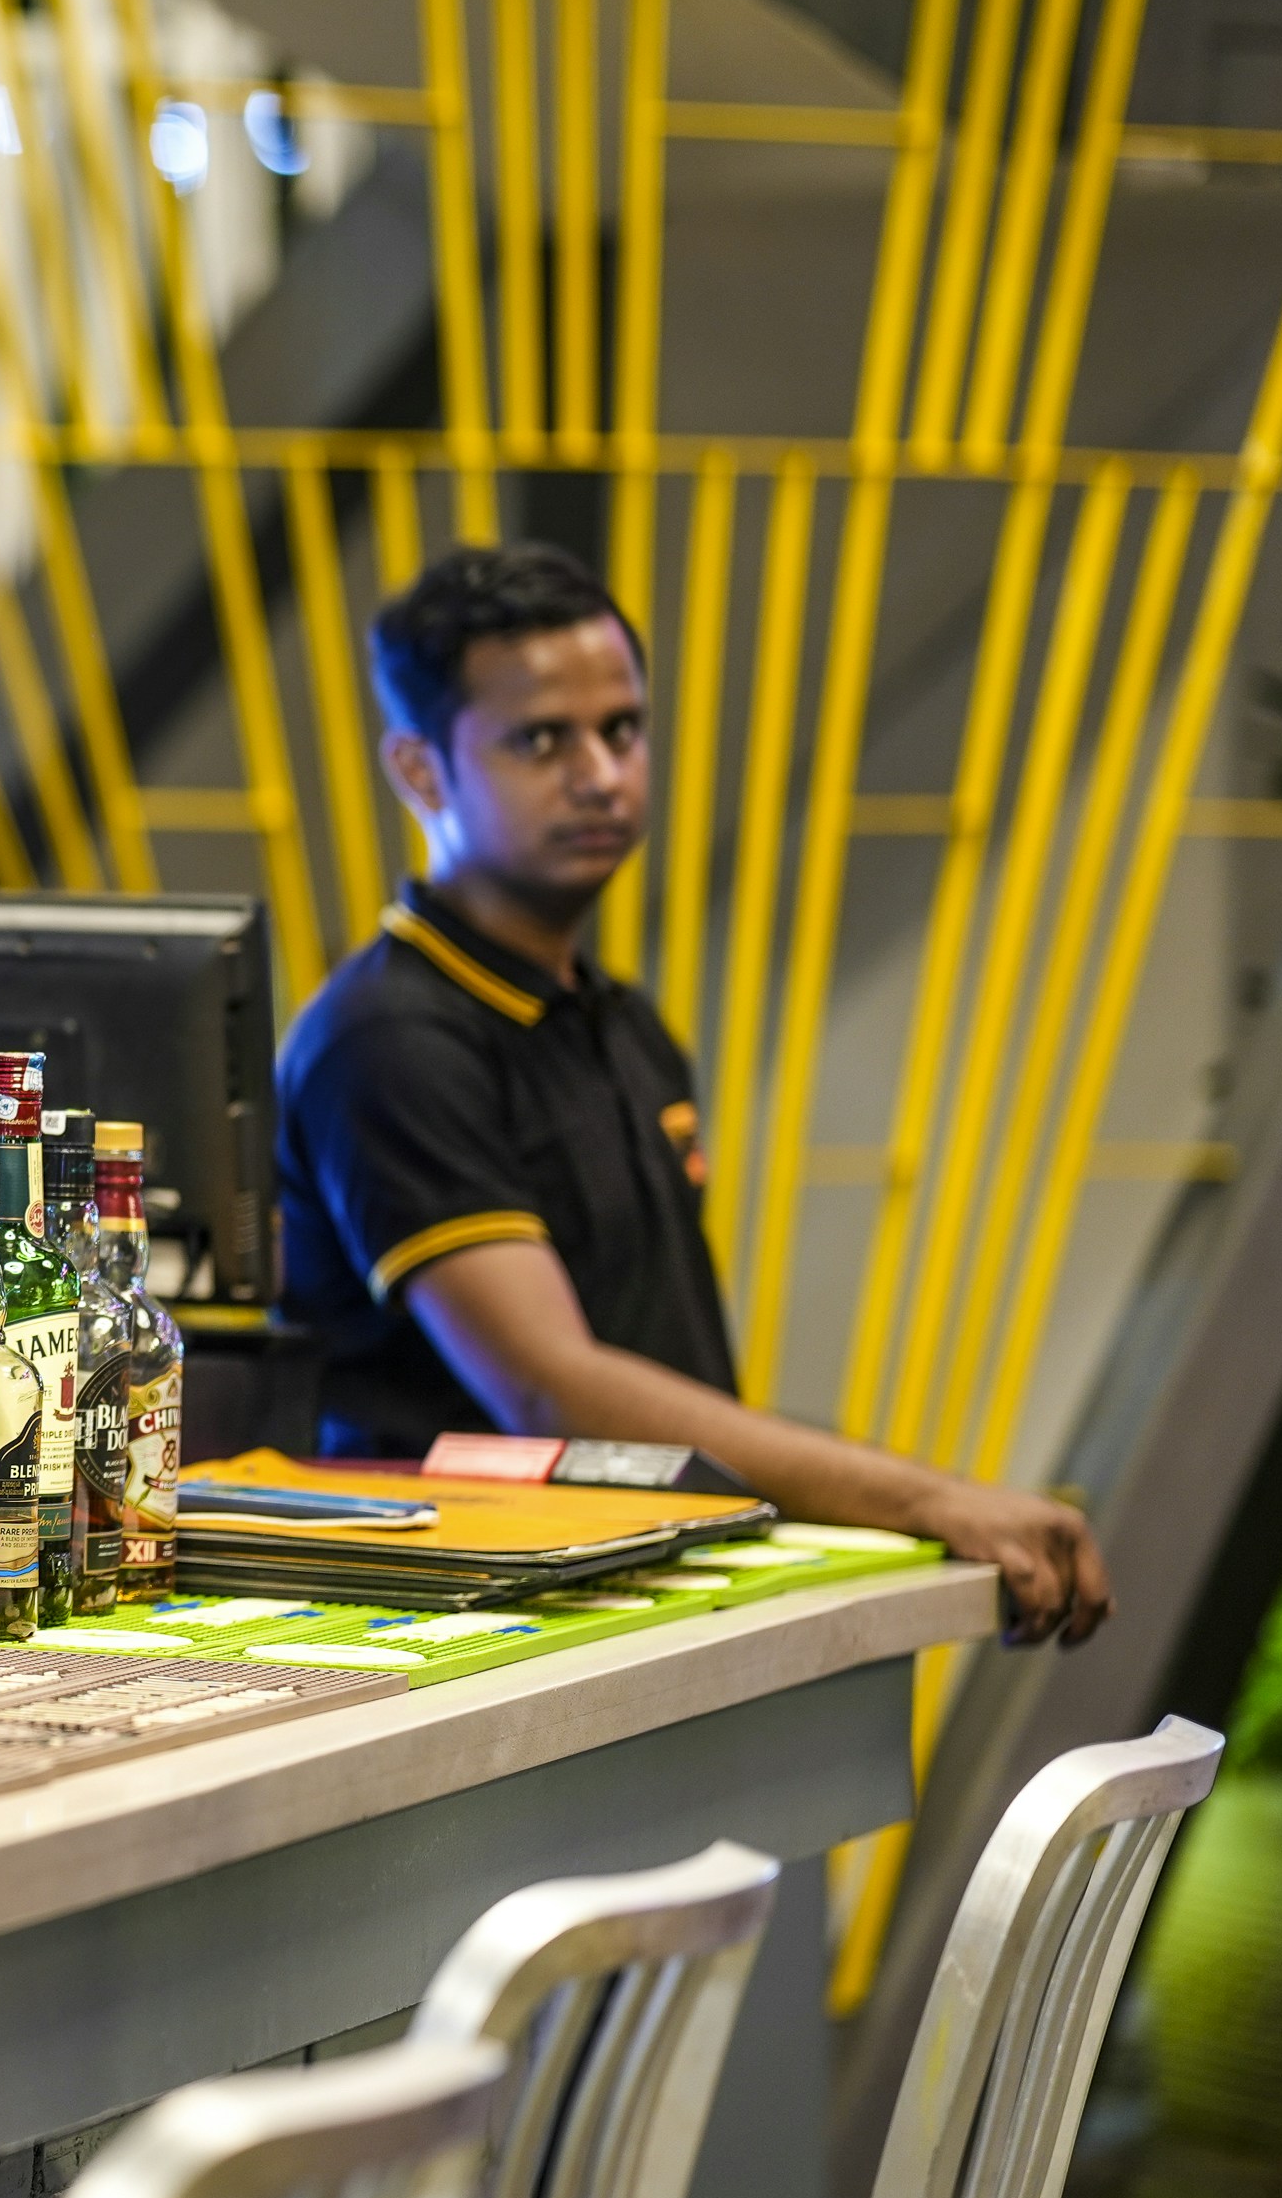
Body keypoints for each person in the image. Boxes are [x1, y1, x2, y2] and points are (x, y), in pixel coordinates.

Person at [274, 543, 1111, 1644]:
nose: (600, 774)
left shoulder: (623, 1027)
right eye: (540, 739)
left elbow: (654, 1368)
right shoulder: (388, 1038)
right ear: (421, 772)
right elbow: (550, 1388)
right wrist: (926, 1496)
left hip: (633, 1593)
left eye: (620, 729)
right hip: (469, 1639)